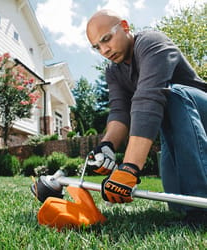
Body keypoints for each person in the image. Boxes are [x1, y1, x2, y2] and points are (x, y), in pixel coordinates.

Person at [86, 9, 207, 219]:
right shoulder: (113, 71)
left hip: (199, 111)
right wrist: (106, 146)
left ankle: (201, 208)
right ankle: (189, 206)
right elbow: (119, 111)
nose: (104, 50)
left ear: (124, 27)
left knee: (174, 94)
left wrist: (130, 167)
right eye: (97, 47)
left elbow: (148, 98)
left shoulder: (152, 42)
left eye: (107, 39)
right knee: (176, 202)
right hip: (175, 125)